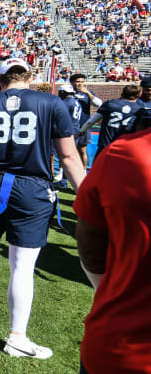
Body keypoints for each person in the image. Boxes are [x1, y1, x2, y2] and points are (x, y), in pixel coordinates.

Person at [0, 58, 85, 359]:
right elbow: (69, 157)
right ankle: (16, 336)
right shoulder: (51, 103)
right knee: (22, 266)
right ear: (30, 76)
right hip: (31, 187)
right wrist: (87, 198)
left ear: (0, 79)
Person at [73, 119, 151, 373]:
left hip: (121, 344)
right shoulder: (125, 152)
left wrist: (104, 286)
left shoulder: (126, 153)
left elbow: (91, 245)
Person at [79, 85, 143, 157]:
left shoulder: (110, 104)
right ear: (139, 94)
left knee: (100, 167)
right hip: (125, 147)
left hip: (106, 145)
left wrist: (82, 130)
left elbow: (92, 120)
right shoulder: (140, 109)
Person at [70, 74, 103, 169]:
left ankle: (83, 171)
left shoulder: (87, 93)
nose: (80, 84)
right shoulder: (68, 92)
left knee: (82, 150)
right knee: (68, 150)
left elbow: (99, 104)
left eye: (82, 82)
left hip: (83, 125)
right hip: (70, 125)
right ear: (72, 82)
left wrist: (87, 93)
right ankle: (65, 173)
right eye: (78, 81)